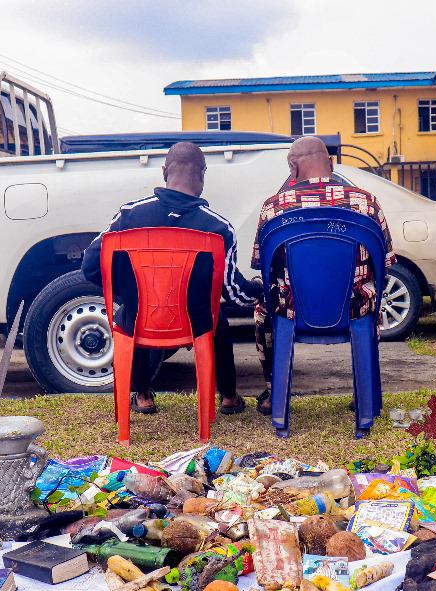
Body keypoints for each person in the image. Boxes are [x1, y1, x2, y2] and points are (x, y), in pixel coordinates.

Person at [82, 142, 261, 414]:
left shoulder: (128, 214)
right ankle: (228, 397)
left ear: (165, 171)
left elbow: (91, 266)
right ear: (202, 174)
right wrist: (258, 289)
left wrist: (132, 290)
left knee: (131, 311)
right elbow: (234, 292)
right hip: (198, 323)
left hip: (142, 319)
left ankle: (142, 395)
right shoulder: (218, 228)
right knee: (219, 322)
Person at [250, 136, 396, 415]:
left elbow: (262, 265)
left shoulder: (274, 207)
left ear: (292, 167)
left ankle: (273, 393)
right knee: (371, 297)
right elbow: (385, 262)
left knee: (262, 310)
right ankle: (364, 393)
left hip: (292, 310)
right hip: (355, 308)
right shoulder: (367, 203)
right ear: (330, 162)